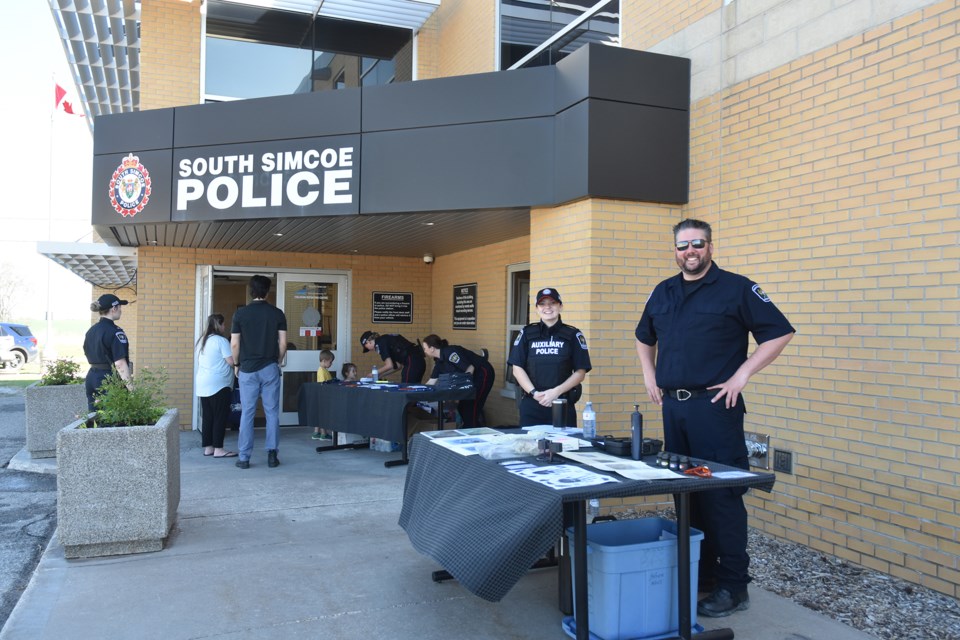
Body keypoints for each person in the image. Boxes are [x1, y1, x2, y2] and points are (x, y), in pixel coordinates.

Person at [635, 218, 795, 618]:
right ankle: (701, 574)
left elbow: (778, 333)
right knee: (686, 493)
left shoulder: (737, 288)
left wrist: (741, 375)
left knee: (722, 496)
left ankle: (733, 586)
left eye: (698, 244)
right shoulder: (663, 291)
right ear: (674, 249)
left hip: (714, 408)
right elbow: (643, 337)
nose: (690, 252)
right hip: (674, 408)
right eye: (683, 245)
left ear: (710, 246)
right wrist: (649, 376)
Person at [507, 287, 591, 427]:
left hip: (561, 404)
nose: (547, 307)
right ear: (537, 309)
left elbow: (580, 372)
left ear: (560, 306)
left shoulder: (573, 335)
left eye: (552, 303)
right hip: (532, 404)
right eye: (542, 304)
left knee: (564, 447)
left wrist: (555, 392)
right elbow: (517, 368)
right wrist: (534, 393)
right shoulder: (527, 333)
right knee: (530, 447)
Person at [231, 275, 288, 469]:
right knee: (272, 412)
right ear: (267, 291)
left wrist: (236, 365)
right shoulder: (277, 314)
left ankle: (244, 458)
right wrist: (277, 361)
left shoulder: (240, 314)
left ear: (251, 290)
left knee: (247, 412)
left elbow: (235, 343)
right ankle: (272, 455)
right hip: (270, 368)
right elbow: (283, 343)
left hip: (247, 369)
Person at [422, 334, 496, 427]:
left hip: (483, 372)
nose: (424, 351)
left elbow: (470, 368)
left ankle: (472, 431)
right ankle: (472, 428)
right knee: (462, 407)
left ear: (432, 348)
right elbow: (431, 382)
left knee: (471, 407)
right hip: (471, 378)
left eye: (425, 348)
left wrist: (464, 387)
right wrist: (418, 393)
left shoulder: (450, 353)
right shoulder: (439, 362)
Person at [195, 313, 236, 458]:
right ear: (219, 324)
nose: (225, 327)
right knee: (220, 417)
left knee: (208, 417)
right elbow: (231, 361)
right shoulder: (221, 341)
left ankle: (209, 447)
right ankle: (219, 449)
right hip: (219, 384)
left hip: (202, 384)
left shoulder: (202, 341)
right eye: (224, 324)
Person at [83, 293, 132, 411]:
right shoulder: (115, 332)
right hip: (108, 378)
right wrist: (131, 388)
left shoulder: (91, 331)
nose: (121, 311)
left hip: (91, 377)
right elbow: (120, 363)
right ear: (114, 309)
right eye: (120, 307)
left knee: (95, 418)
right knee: (114, 419)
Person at [359, 330, 426, 383]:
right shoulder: (384, 340)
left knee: (407, 388)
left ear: (368, 341)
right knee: (413, 388)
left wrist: (373, 374)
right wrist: (379, 375)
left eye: (366, 347)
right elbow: (397, 366)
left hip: (412, 361)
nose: (369, 350)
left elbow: (389, 365)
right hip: (418, 361)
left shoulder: (380, 343)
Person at [312, 349, 336, 441]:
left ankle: (316, 432)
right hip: (323, 396)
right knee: (323, 416)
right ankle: (324, 433)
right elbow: (323, 384)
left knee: (319, 415)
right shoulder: (321, 371)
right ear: (324, 361)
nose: (331, 364)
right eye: (330, 362)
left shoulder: (324, 370)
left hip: (322, 396)